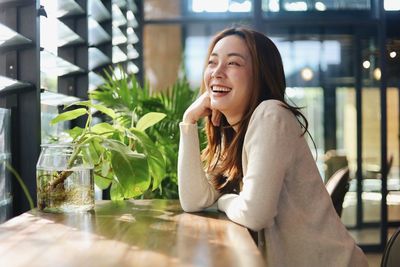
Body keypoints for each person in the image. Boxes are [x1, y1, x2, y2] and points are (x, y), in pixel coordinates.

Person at [178, 26, 368, 267]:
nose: (217, 72)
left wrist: (223, 201)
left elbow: (255, 215)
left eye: (233, 64)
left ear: (260, 74)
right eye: (212, 62)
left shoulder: (271, 114)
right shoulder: (235, 134)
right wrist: (188, 121)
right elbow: (194, 201)